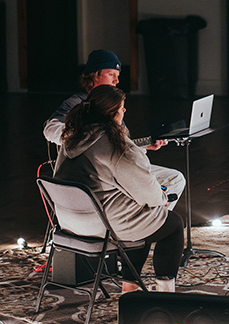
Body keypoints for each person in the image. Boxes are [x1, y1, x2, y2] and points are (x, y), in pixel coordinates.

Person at [54, 84, 184, 292]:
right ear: (112, 113)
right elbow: (148, 192)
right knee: (171, 223)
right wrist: (161, 199)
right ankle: (164, 293)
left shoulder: (71, 137)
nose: (124, 111)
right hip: (102, 226)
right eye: (122, 108)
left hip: (68, 223)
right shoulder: (115, 146)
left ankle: (130, 288)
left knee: (141, 219)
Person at [43, 49, 185, 209]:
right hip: (96, 172)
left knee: (174, 179)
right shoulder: (77, 103)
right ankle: (148, 224)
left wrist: (143, 145)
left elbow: (116, 146)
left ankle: (153, 221)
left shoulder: (112, 105)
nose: (117, 80)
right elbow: (50, 129)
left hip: (114, 165)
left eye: (118, 75)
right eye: (111, 74)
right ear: (95, 74)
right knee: (156, 188)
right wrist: (88, 137)